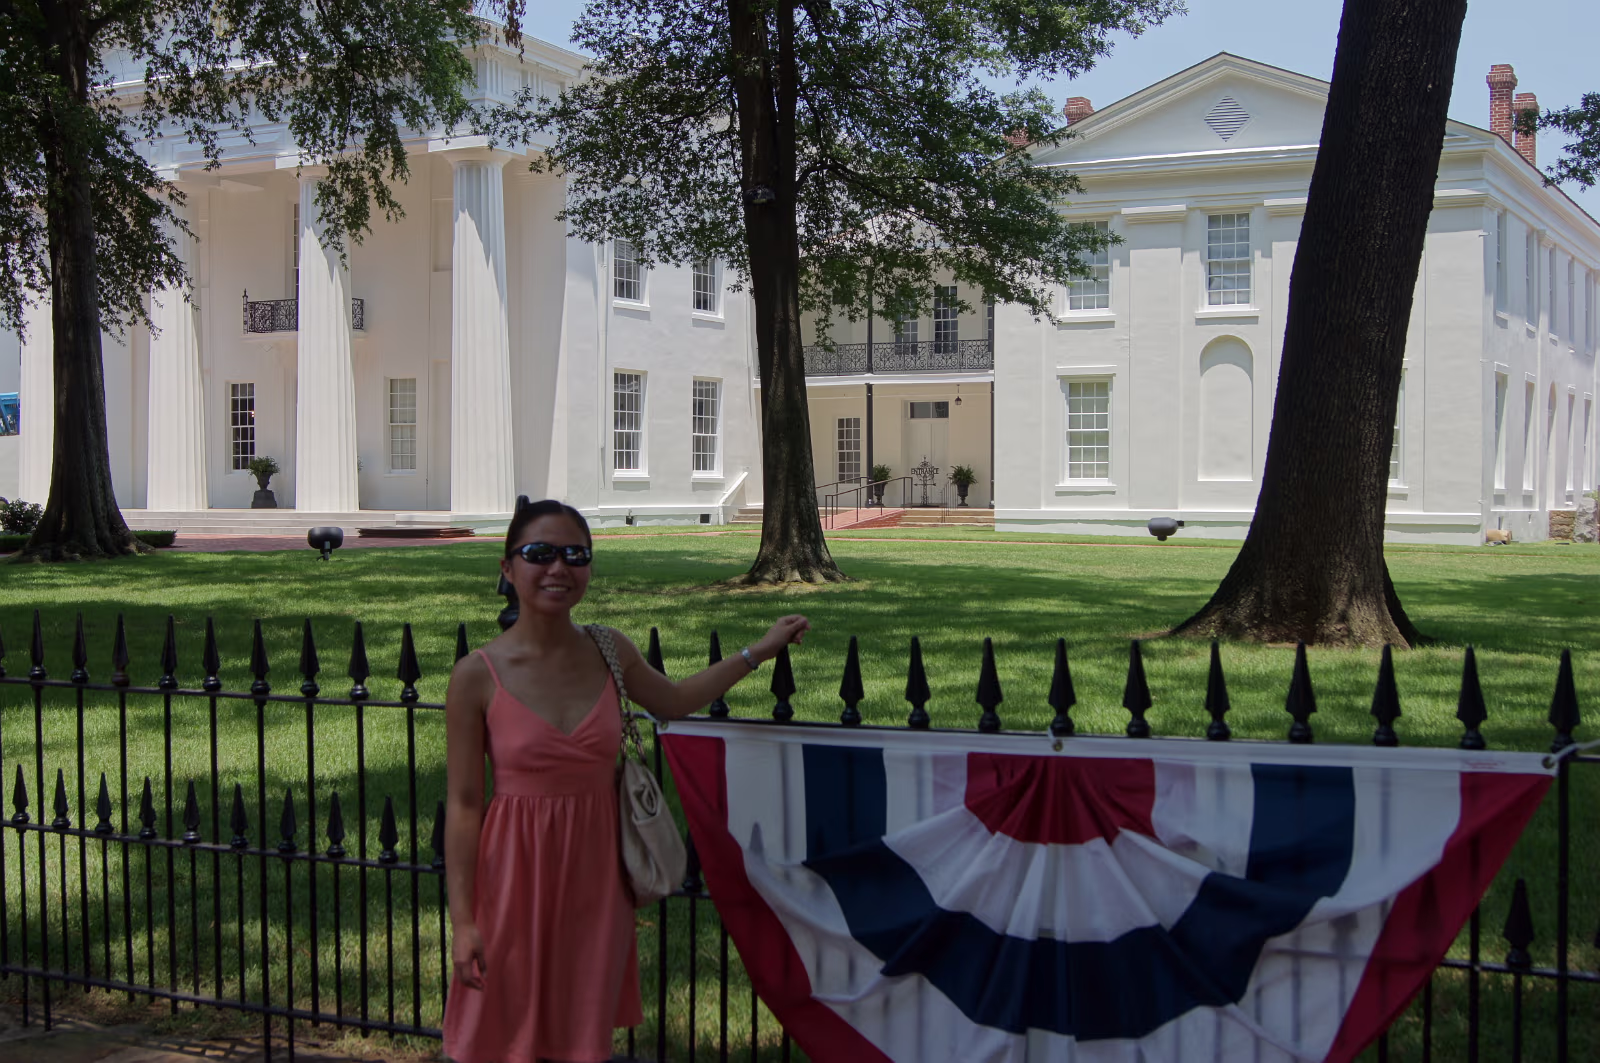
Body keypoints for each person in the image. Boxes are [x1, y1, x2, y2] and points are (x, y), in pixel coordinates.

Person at [441, 498, 809, 1063]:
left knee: (581, 1031)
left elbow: (675, 700)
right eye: (539, 553)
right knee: (506, 1031)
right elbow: (465, 805)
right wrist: (464, 922)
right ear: (508, 567)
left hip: (597, 877)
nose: (558, 568)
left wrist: (755, 652)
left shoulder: (609, 650)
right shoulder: (476, 676)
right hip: (514, 876)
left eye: (575, 555)